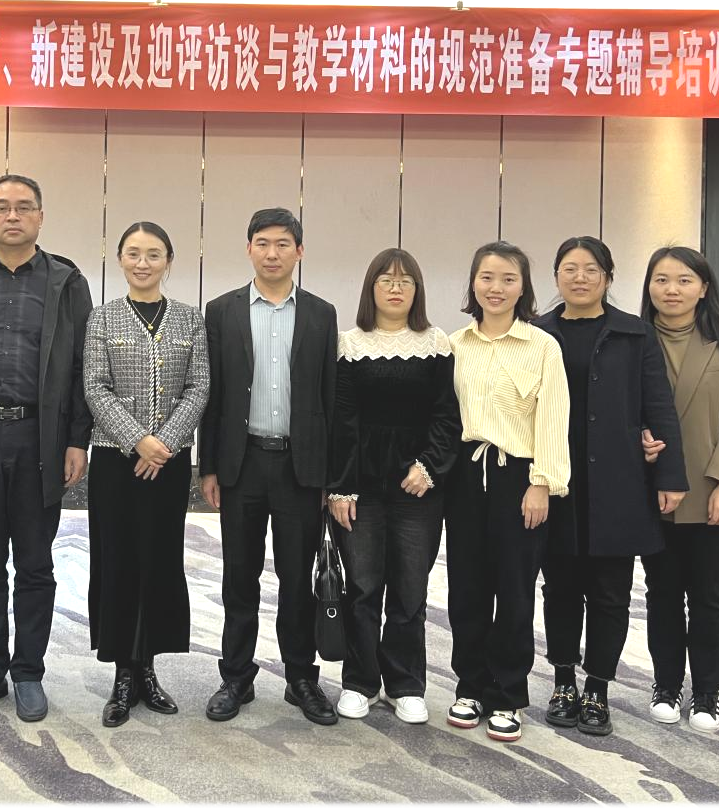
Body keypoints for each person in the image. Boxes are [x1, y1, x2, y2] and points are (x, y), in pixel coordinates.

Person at [0, 174, 93, 724]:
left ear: (40, 217)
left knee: (34, 563)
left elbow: (81, 366)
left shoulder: (66, 281)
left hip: (40, 438)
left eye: (24, 207)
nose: (13, 216)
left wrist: (77, 439)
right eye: (1, 207)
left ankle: (28, 672)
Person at [532, 237, 687, 737]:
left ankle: (597, 688)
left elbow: (658, 406)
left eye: (591, 269)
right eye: (569, 268)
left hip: (619, 481)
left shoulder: (635, 333)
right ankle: (563, 682)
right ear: (556, 276)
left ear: (608, 277)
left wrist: (669, 475)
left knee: (610, 593)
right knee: (559, 589)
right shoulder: (537, 333)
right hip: (555, 480)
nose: (580, 277)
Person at [199, 207, 339, 726]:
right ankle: (236, 676)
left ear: (299, 251)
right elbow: (212, 396)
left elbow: (329, 397)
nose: (272, 253)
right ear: (249, 249)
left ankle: (301, 677)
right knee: (240, 576)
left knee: (297, 579)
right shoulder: (222, 310)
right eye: (262, 243)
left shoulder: (321, 313)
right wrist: (208, 467)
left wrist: (329, 476)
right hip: (242, 464)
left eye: (283, 244)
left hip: (301, 468)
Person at [83, 222, 210, 728]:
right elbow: (95, 387)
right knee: (117, 561)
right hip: (115, 460)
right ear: (119, 259)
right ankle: (122, 674)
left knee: (159, 560)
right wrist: (138, 440)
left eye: (153, 254)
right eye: (133, 253)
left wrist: (165, 445)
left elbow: (199, 387)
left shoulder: (190, 319)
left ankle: (149, 668)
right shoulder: (102, 317)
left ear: (168, 261)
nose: (143, 263)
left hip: (169, 464)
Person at [327, 248, 460, 725]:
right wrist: (340, 488)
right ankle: (360, 682)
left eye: (406, 281)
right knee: (362, 588)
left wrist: (429, 466)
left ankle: (405, 684)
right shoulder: (348, 344)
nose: (396, 288)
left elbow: (447, 416)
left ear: (417, 291)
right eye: (386, 280)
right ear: (371, 289)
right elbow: (341, 422)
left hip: (417, 487)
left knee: (409, 590)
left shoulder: (436, 343)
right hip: (360, 488)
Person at [445, 241, 570, 743]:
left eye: (508, 279)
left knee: (515, 589)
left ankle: (507, 692)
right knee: (466, 587)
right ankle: (470, 686)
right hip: (464, 476)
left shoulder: (542, 346)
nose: (496, 288)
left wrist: (542, 483)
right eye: (487, 277)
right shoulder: (455, 344)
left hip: (520, 477)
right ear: (473, 284)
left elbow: (553, 417)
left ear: (523, 288)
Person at [639, 246, 719, 734]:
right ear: (649, 286)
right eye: (662, 279)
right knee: (662, 591)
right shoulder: (632, 340)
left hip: (712, 491)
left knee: (708, 593)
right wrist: (637, 439)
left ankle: (708, 691)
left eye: (684, 280)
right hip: (652, 490)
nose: (672, 290)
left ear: (703, 288)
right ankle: (666, 684)